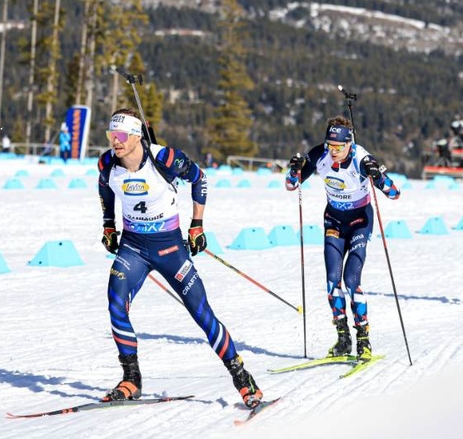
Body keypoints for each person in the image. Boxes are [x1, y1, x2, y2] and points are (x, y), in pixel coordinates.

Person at [97, 108, 263, 408]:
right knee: (115, 303)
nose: (115, 142)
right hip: (133, 247)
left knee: (202, 314)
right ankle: (131, 379)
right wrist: (109, 224)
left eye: (121, 135)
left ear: (136, 136)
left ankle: (242, 379)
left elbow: (199, 178)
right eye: (111, 135)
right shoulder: (108, 163)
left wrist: (197, 224)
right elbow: (104, 188)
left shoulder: (165, 159)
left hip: (170, 249)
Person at [285, 116, 401, 359]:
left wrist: (378, 176)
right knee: (332, 281)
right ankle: (343, 338)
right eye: (330, 145)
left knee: (351, 279)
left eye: (338, 147)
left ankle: (363, 338)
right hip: (334, 221)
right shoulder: (319, 154)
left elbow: (394, 193)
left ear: (349, 143)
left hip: (360, 222)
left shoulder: (362, 158)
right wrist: (294, 170)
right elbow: (291, 185)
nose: (333, 151)